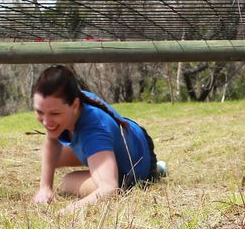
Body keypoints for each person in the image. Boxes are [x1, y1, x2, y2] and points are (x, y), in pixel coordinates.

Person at [31, 65, 162, 211]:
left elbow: (110, 190)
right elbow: (52, 141)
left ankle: (157, 170)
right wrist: (45, 187)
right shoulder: (72, 98)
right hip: (128, 137)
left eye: (54, 114)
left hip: (139, 163)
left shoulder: (95, 130)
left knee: (67, 182)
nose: (46, 121)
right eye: (40, 112)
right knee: (48, 159)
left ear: (74, 105)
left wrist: (66, 212)